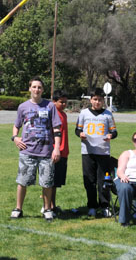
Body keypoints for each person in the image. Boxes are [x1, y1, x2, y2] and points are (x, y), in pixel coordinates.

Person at [10, 77, 61, 222]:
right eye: (34, 87)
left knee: (47, 183)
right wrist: (15, 138)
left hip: (46, 152)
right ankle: (18, 209)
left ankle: (47, 209)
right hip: (27, 151)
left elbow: (57, 128)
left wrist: (56, 148)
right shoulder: (23, 107)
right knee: (22, 181)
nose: (36, 90)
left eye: (39, 87)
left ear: (42, 90)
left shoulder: (50, 106)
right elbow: (17, 125)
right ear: (30, 89)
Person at [75, 88, 117, 217]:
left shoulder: (108, 114)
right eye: (95, 99)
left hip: (103, 151)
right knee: (90, 181)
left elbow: (114, 132)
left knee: (103, 180)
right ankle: (92, 206)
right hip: (88, 151)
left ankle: (104, 206)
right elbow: (77, 130)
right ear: (91, 100)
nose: (97, 102)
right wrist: (80, 134)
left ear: (103, 100)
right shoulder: (83, 113)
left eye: (100, 99)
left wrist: (111, 136)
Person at [50, 89, 69, 216]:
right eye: (61, 102)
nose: (63, 105)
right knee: (50, 182)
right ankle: (48, 207)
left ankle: (53, 205)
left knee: (56, 182)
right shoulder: (52, 113)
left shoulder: (64, 114)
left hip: (64, 152)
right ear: (54, 101)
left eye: (65, 102)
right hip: (54, 152)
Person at [114, 131, 136, 227]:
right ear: (133, 142)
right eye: (135, 140)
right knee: (125, 188)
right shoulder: (127, 154)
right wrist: (123, 176)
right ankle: (124, 220)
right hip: (126, 180)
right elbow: (120, 171)